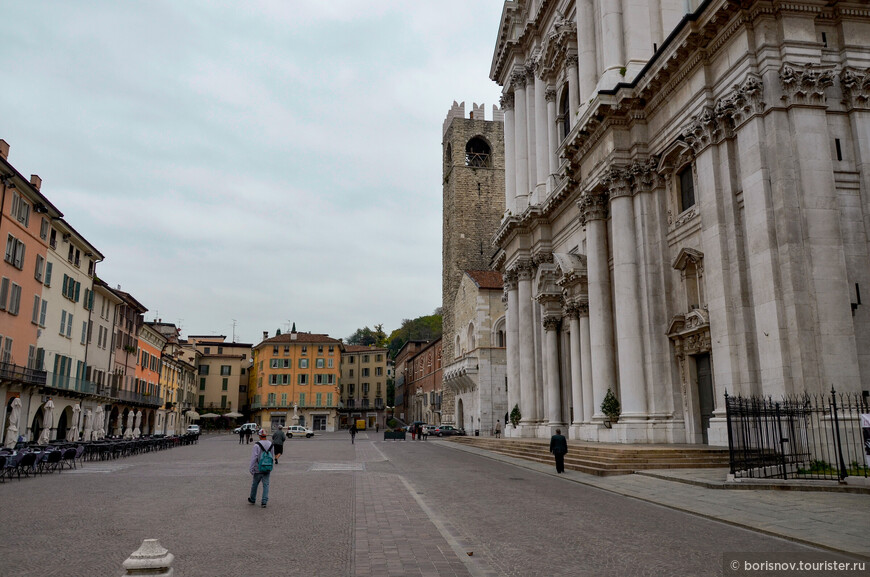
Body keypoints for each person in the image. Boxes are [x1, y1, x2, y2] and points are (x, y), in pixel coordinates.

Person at [248, 429, 273, 508]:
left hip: (258, 468)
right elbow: (272, 456)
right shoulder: (271, 444)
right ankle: (264, 501)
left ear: (259, 435)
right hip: (267, 468)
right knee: (266, 485)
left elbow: (254, 458)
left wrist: (251, 468)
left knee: (255, 484)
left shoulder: (257, 445)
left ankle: (253, 498)